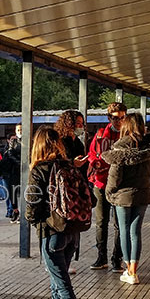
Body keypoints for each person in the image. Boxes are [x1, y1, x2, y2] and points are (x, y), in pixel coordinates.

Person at [25, 127, 84, 299]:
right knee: (57, 284)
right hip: (72, 231)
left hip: (51, 234)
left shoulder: (40, 169)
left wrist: (36, 222)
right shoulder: (69, 166)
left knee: (63, 286)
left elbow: (32, 204)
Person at [102, 113, 150, 285]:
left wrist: (109, 192)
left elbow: (114, 176)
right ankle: (134, 270)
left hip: (123, 195)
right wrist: (149, 186)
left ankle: (128, 270)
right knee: (136, 232)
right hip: (143, 193)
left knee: (124, 231)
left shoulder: (120, 148)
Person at [87, 103, 127, 272]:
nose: (119, 121)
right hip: (102, 182)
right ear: (109, 118)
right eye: (115, 118)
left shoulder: (129, 135)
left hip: (121, 184)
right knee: (101, 222)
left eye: (122, 117)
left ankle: (117, 258)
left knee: (120, 223)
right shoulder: (101, 135)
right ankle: (101, 257)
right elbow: (91, 154)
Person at [55, 110, 89, 275]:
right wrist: (72, 163)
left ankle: (68, 260)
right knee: (65, 227)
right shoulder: (60, 141)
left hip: (78, 188)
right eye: (77, 123)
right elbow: (57, 164)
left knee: (76, 228)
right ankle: (61, 262)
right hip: (65, 189)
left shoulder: (79, 143)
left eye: (82, 124)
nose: (80, 127)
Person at [0, 131, 22, 223]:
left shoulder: (19, 148)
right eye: (12, 139)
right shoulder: (5, 150)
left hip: (17, 173)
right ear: (8, 140)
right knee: (11, 193)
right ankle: (14, 210)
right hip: (8, 174)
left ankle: (17, 211)